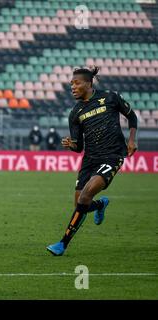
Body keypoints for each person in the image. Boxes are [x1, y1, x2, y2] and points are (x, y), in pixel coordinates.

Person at [47, 66, 137, 256]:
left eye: (76, 83)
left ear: (88, 83)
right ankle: (101, 204)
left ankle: (63, 243)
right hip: (90, 159)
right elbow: (78, 147)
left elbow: (131, 116)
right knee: (80, 203)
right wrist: (70, 145)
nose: (72, 87)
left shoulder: (110, 97)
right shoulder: (75, 113)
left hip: (112, 156)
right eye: (71, 84)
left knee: (86, 194)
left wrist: (131, 139)